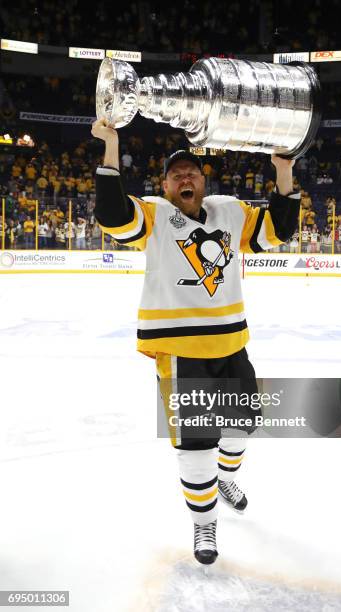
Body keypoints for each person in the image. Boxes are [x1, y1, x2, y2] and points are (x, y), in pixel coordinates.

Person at [91, 117, 300, 565]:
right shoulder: (155, 215)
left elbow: (277, 230)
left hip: (232, 344)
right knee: (196, 445)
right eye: (176, 174)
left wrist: (283, 170)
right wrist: (110, 146)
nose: (185, 178)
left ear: (204, 182)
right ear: (165, 185)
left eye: (192, 173)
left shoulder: (229, 212)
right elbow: (112, 215)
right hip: (181, 352)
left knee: (242, 426)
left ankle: (225, 479)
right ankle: (204, 523)